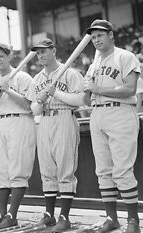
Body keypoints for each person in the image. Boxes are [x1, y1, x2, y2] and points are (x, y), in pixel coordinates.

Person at [84, 19, 141, 233]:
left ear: (110, 35)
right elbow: (85, 99)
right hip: (97, 113)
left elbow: (130, 89)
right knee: (103, 171)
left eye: (100, 35)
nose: (96, 39)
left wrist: (97, 88)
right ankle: (111, 218)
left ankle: (133, 221)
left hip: (120, 111)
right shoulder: (93, 64)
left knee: (123, 170)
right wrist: (86, 90)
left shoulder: (125, 56)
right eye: (93, 36)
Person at [26, 38, 85, 233]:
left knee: (65, 168)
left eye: (43, 51)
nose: (40, 55)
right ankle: (49, 214)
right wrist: (41, 100)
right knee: (47, 169)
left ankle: (64, 217)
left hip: (64, 118)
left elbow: (80, 100)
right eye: (38, 53)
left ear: (53, 50)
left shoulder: (70, 73)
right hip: (45, 120)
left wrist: (56, 93)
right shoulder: (37, 78)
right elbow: (34, 109)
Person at [0, 43, 36, 230]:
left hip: (21, 121)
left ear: (9, 56)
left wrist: (8, 90)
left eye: (1, 56)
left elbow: (29, 106)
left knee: (18, 169)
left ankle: (12, 215)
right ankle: (1, 213)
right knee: (1, 170)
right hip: (2, 122)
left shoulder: (22, 76)